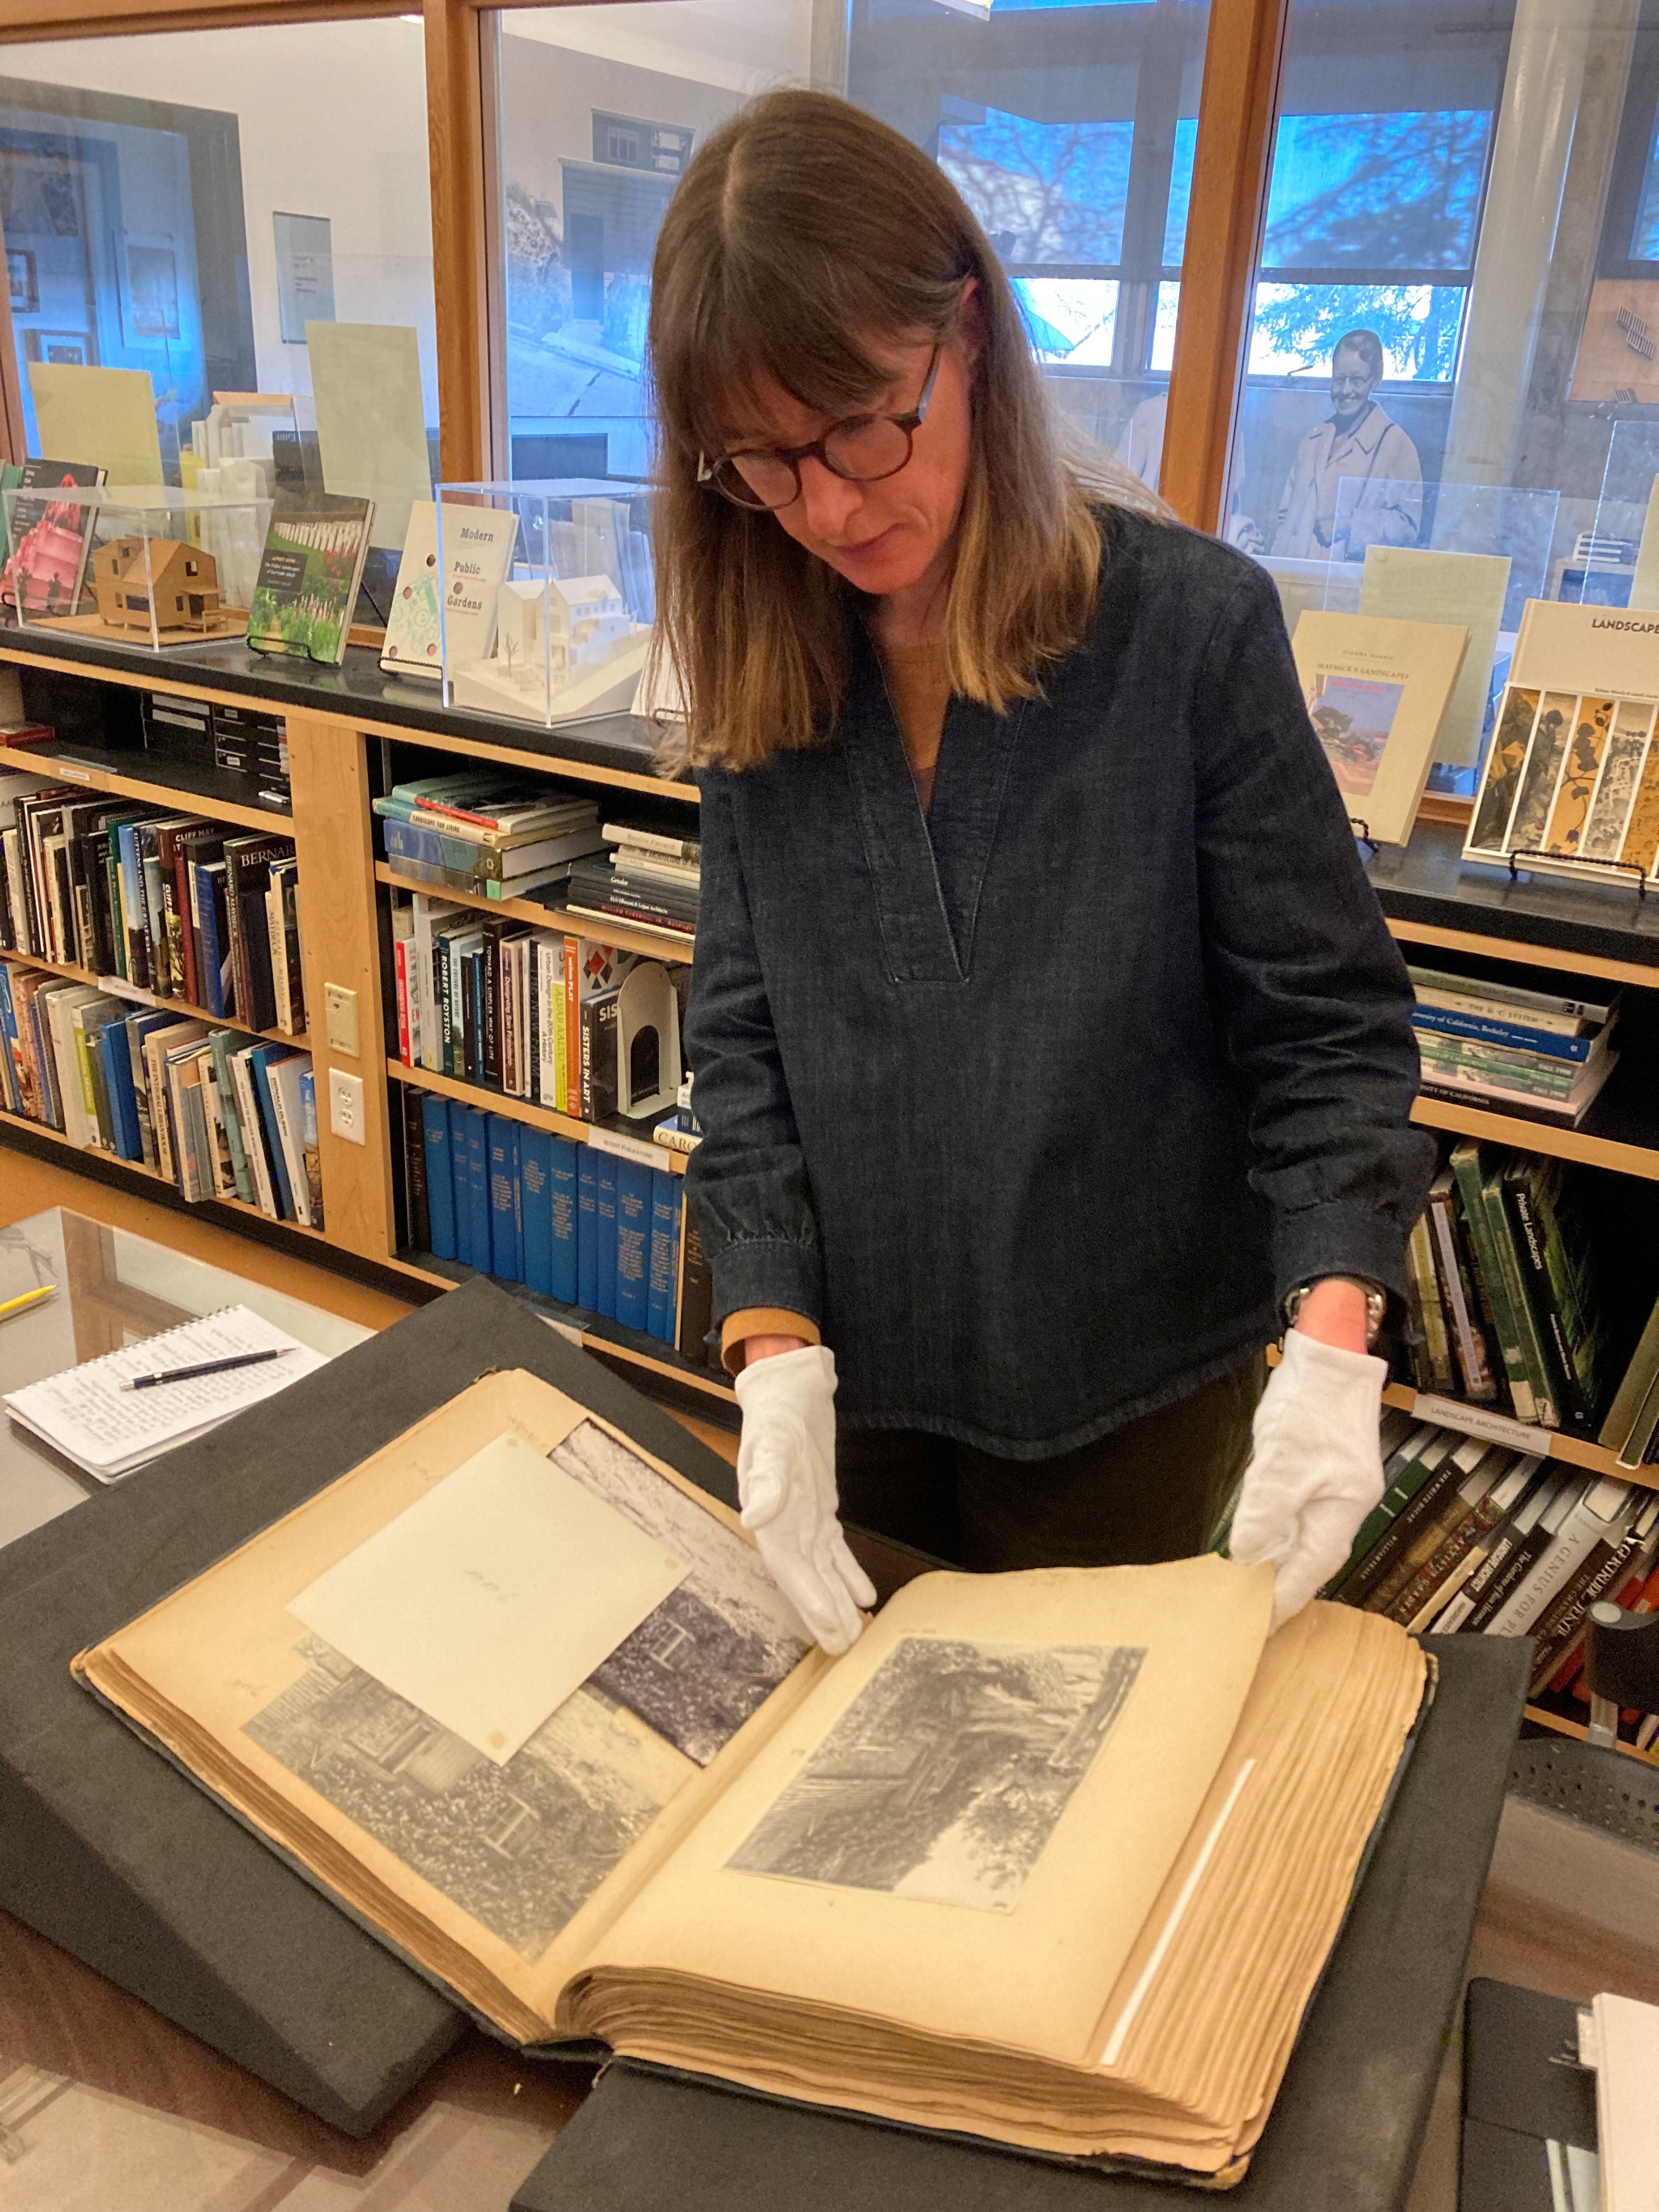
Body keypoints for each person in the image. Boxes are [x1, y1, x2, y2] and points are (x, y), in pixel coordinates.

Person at [647, 92, 1435, 1655]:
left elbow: (1328, 1031)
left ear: (972, 335)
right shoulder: (760, 638)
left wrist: (1336, 1331)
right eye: (763, 463)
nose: (830, 505)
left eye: (865, 423)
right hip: (841, 1365)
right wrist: (769, 1337)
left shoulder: (1192, 630)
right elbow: (741, 1036)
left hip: (1125, 1388)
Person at [1271, 329, 1422, 562]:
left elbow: (1408, 528)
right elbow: (1285, 517)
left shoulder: (1396, 445)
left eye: (1357, 380)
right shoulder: (1314, 439)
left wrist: (1346, 525)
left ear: (1375, 380)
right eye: (1339, 379)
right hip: (1294, 575)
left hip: (1345, 579)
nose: (1345, 391)